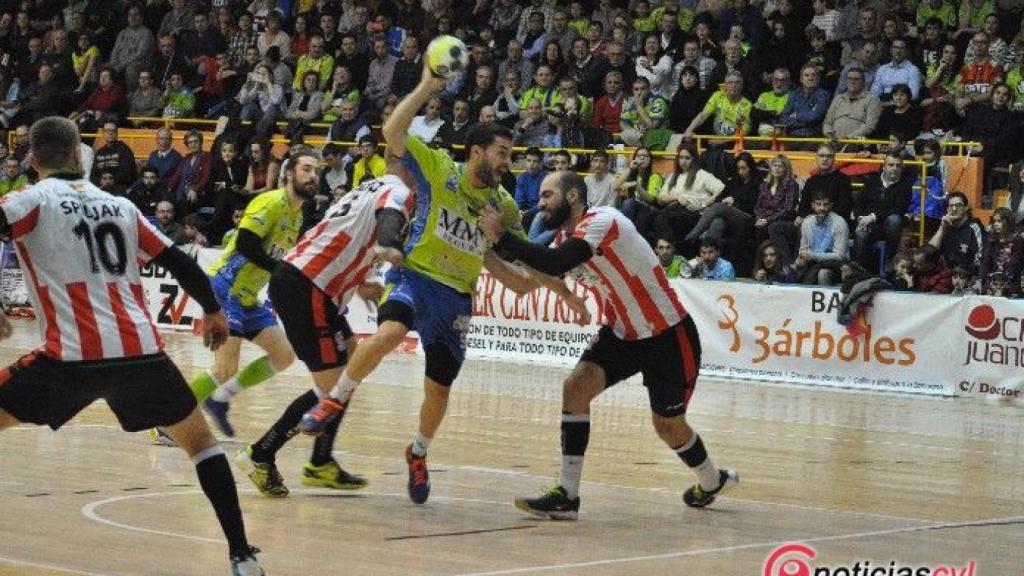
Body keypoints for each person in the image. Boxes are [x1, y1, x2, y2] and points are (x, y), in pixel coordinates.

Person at [0, 116, 264, 575]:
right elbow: (179, 260)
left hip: (69, 359)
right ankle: (242, 556)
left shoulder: (31, 200)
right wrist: (213, 310)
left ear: (32, 157)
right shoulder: (120, 206)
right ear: (79, 155)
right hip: (142, 354)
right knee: (202, 445)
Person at [297, 64, 540, 506]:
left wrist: (504, 245)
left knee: (438, 388)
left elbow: (521, 270)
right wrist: (428, 85)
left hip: (458, 297)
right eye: (502, 152)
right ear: (477, 152)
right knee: (389, 333)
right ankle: (336, 400)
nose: (508, 162)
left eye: (510, 154)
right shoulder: (439, 168)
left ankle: (418, 452)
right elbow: (392, 130)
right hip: (416, 276)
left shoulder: (503, 205)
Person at [475, 170, 737, 519]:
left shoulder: (603, 220)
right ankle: (567, 495)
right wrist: (482, 250)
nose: (539, 204)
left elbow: (555, 263)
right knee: (575, 388)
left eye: (547, 195)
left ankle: (710, 480)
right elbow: (525, 282)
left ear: (571, 196)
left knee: (668, 426)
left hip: (667, 333)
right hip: (621, 332)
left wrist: (501, 235)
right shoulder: (564, 239)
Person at [237, 173, 413, 497]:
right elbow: (386, 227)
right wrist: (391, 247)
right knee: (331, 389)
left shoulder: (367, 189)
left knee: (351, 363)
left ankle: (320, 461)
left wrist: (361, 282)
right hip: (308, 287)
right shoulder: (397, 191)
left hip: (312, 285)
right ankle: (261, 453)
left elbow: (344, 236)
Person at [168, 151, 320, 440]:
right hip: (226, 289)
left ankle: (219, 399)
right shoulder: (271, 201)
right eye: (307, 169)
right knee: (224, 368)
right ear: (289, 174)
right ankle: (166, 423)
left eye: (317, 171)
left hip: (249, 297)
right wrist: (279, 271)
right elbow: (248, 243)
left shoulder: (297, 215)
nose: (314, 176)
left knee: (284, 355)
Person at [796, 190, 849, 285]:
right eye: (818, 204)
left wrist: (813, 255)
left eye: (825, 204)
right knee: (790, 269)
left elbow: (840, 256)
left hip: (835, 266)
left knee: (822, 273)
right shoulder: (807, 223)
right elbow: (803, 249)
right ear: (812, 205)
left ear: (831, 205)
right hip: (812, 264)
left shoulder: (839, 223)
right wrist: (801, 258)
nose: (822, 208)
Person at [928, 191, 985, 275]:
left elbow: (980, 259)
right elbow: (929, 253)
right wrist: (941, 228)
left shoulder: (974, 227)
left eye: (958, 205)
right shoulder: (946, 227)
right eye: (951, 206)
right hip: (947, 277)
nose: (954, 209)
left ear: (966, 208)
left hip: (968, 276)